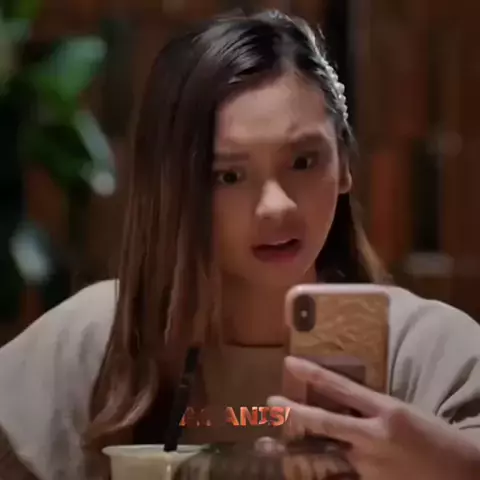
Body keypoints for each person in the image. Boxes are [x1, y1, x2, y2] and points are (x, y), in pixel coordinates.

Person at [0, 9, 479, 480]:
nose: (276, 206)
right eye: (229, 175)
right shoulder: (103, 334)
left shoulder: (428, 351)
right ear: (175, 189)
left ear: (344, 165)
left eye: (304, 161)